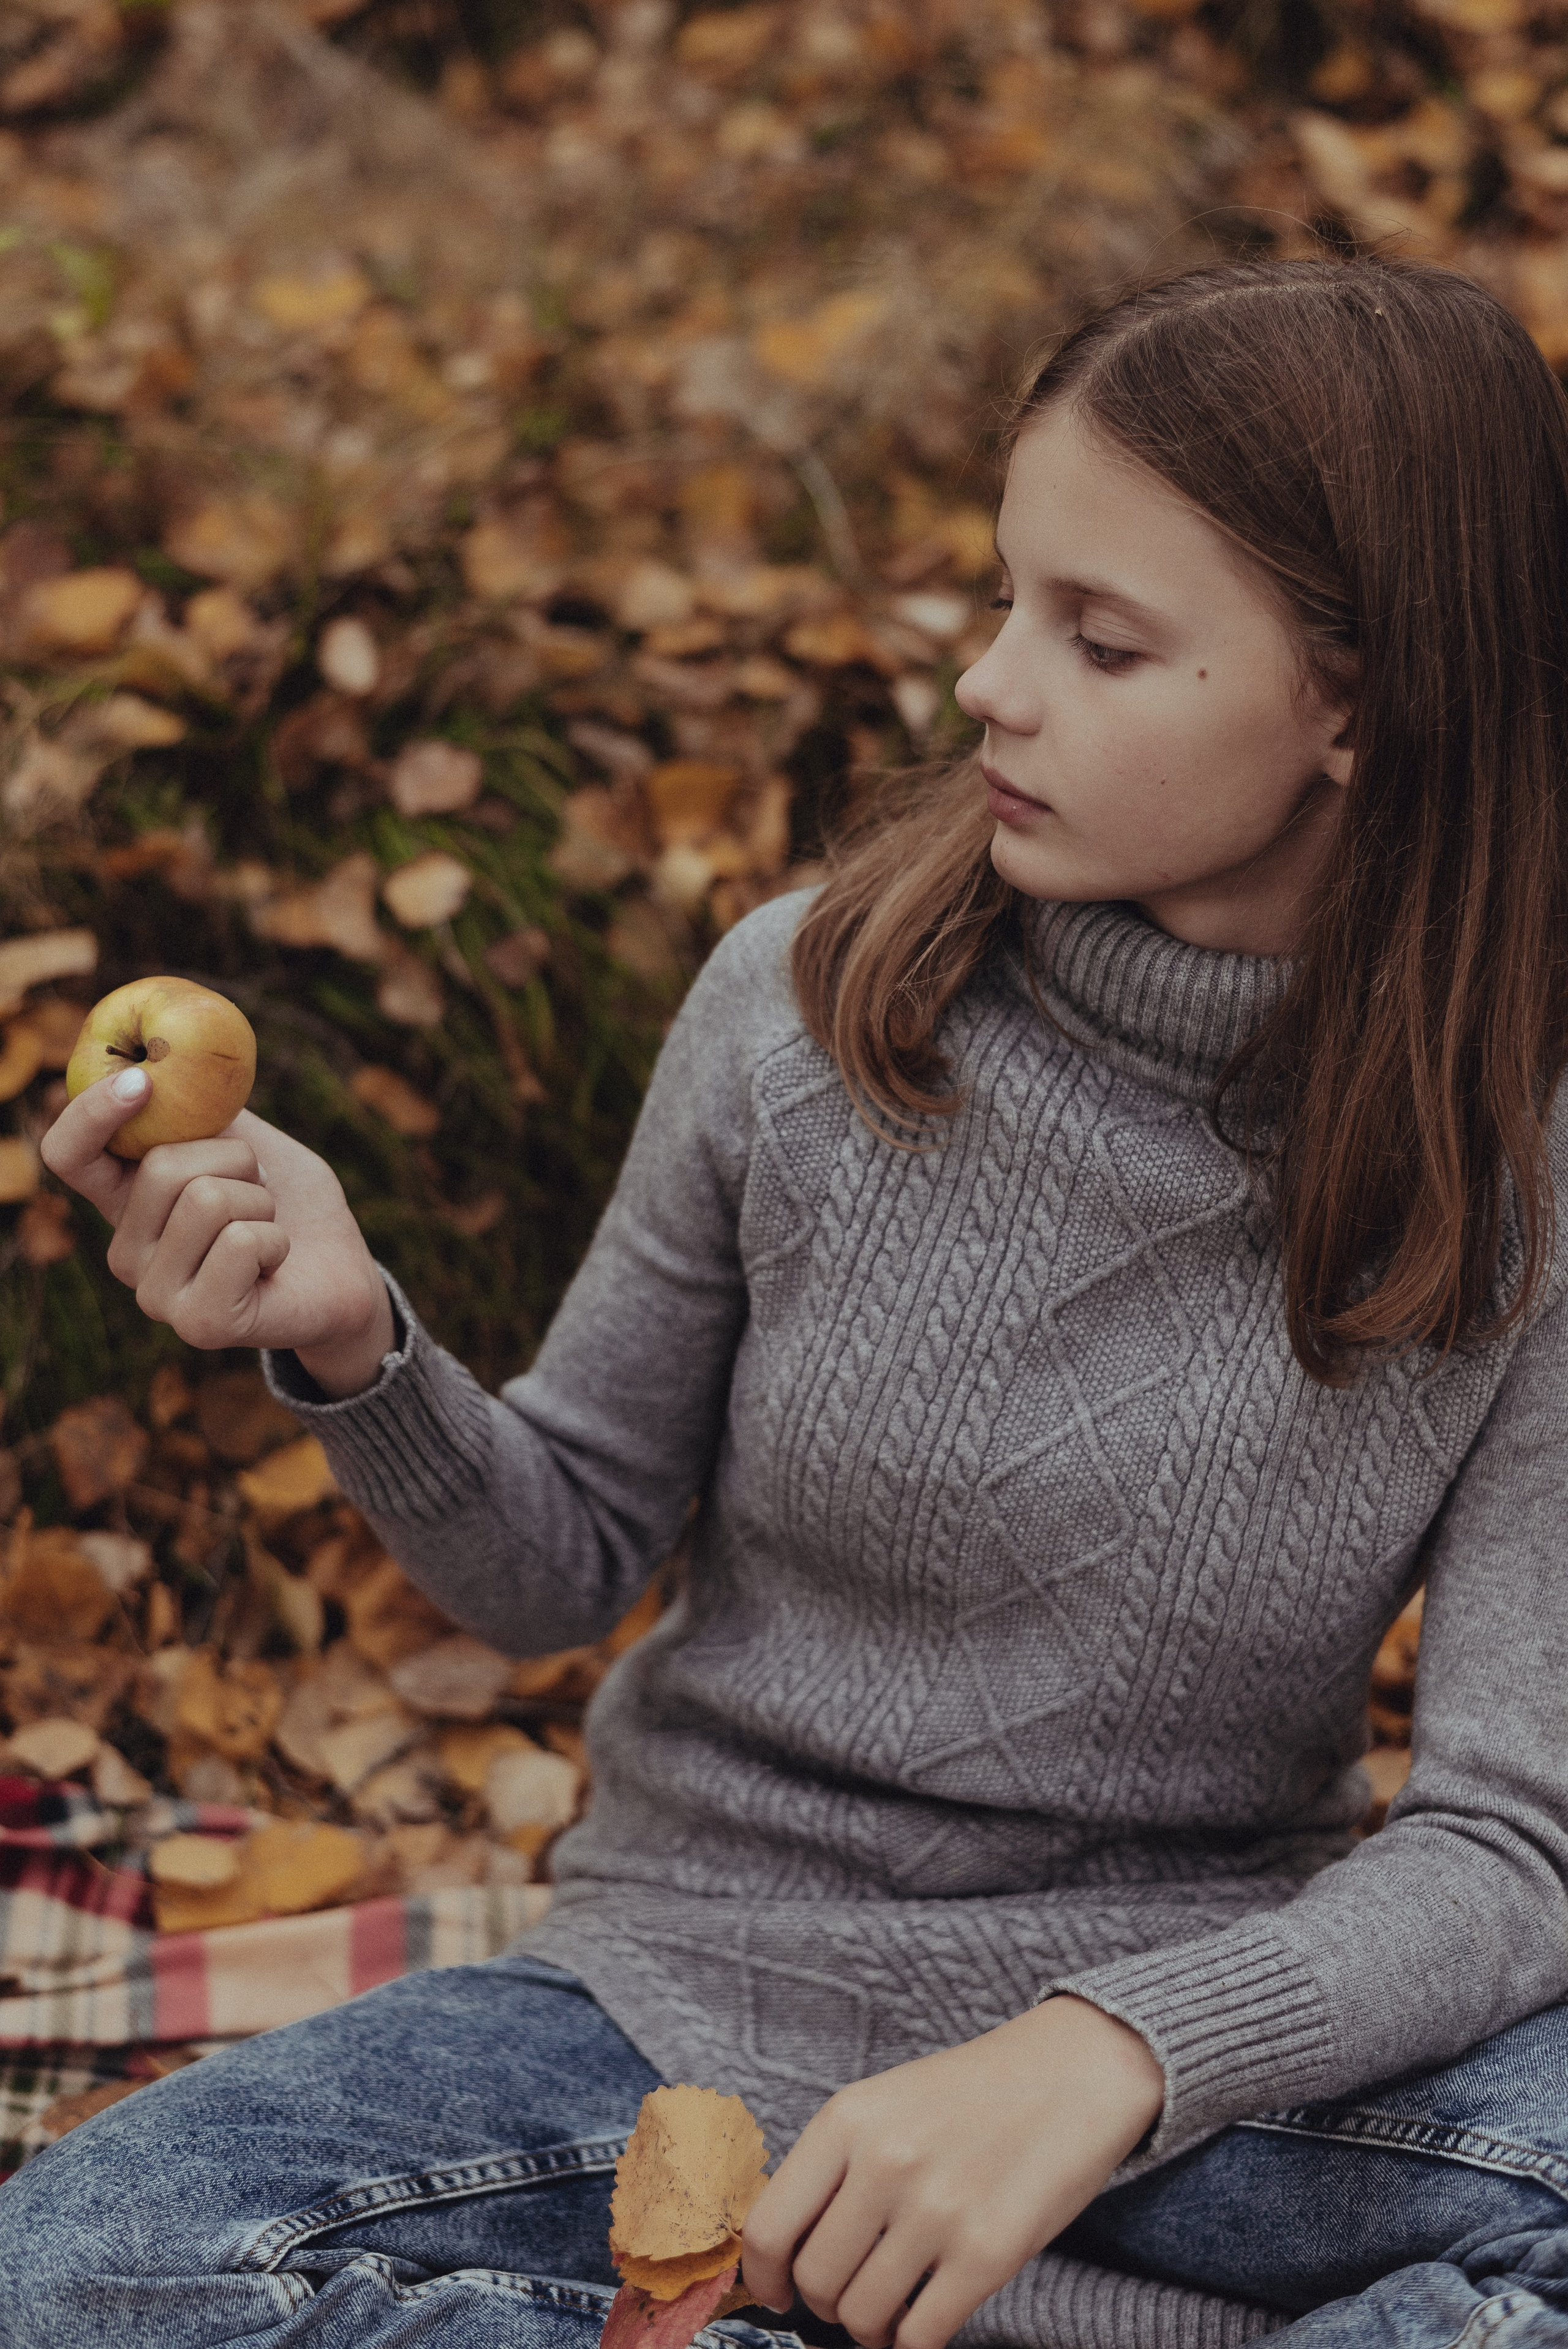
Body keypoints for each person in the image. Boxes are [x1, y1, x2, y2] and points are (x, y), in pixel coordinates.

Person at [6, 251, 1568, 2349]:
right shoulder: (801, 1003)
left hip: (1198, 2079)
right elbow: (559, 1559)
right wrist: (355, 1337)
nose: (987, 688)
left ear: (1364, 707)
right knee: (84, 2265)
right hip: (683, 2014)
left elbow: (1505, 1847)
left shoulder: (1524, 1166)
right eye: (1010, 597)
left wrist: (1103, 2052)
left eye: (1100, 639)